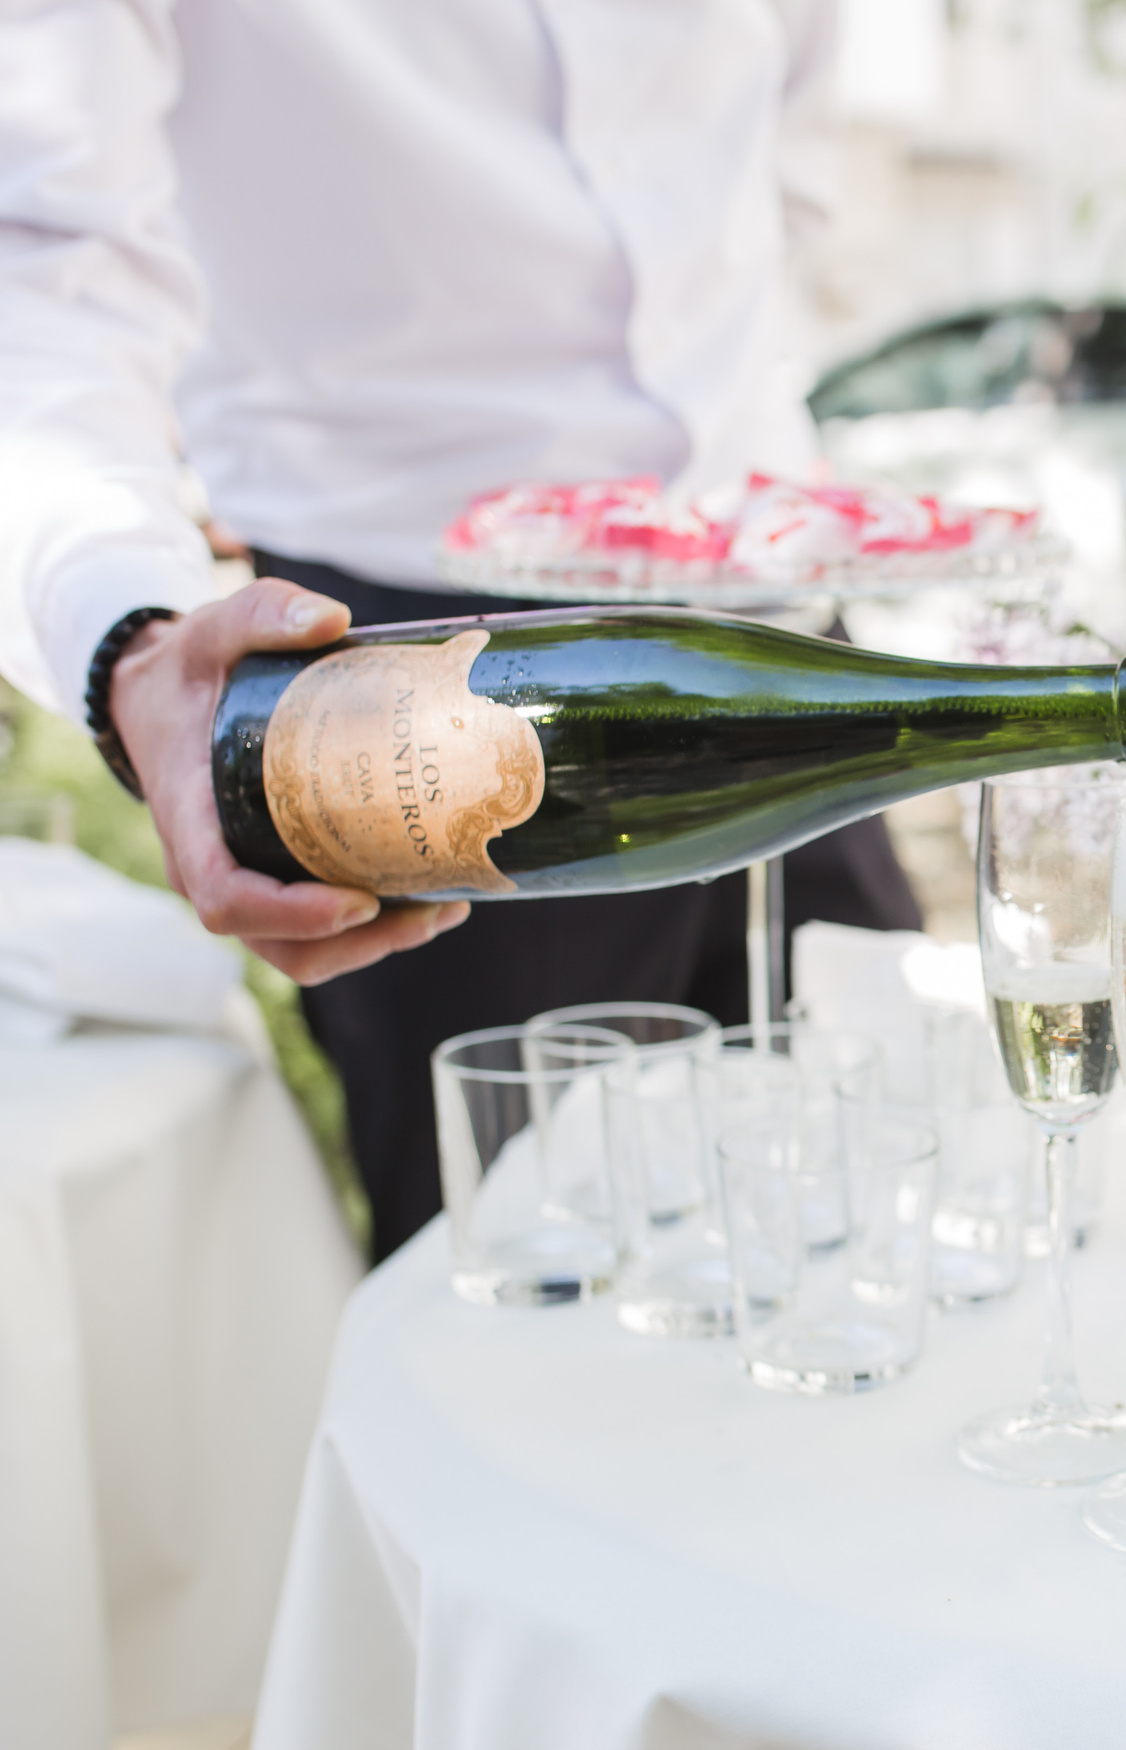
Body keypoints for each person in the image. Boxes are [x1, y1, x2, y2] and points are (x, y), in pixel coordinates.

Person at [0, 0, 919, 1261]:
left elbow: (793, 157)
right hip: (414, 676)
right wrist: (132, 642)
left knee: (895, 1198)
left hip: (775, 616)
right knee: (514, 1282)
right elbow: (39, 272)